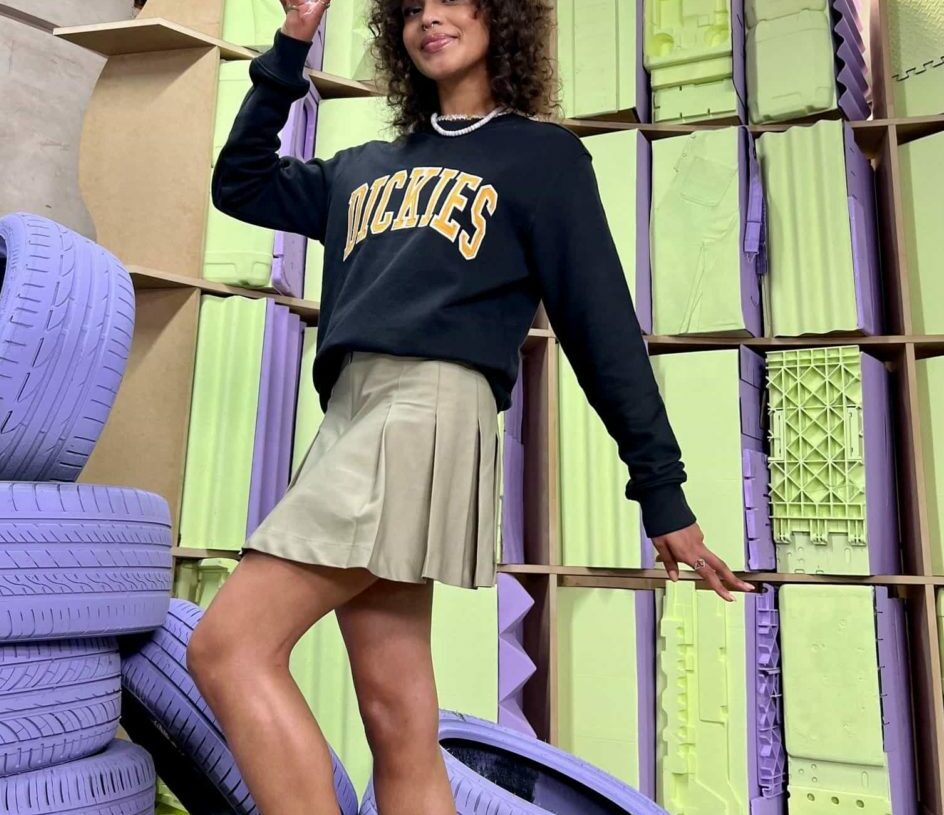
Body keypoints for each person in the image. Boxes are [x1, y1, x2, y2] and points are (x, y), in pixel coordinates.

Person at [186, 0, 756, 813]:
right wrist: (293, 40)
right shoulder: (363, 167)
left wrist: (661, 492)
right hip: (351, 417)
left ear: (501, 18)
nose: (430, 17)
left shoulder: (540, 157)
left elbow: (600, 328)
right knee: (398, 719)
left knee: (228, 648)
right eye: (412, 8)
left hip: (426, 412)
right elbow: (240, 181)